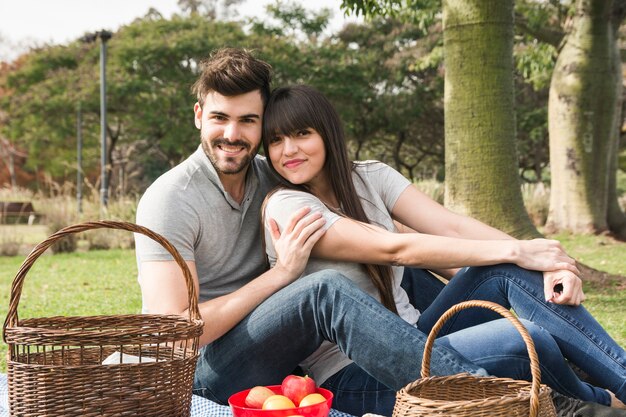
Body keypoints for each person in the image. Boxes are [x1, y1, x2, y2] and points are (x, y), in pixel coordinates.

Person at [135, 48, 496, 410]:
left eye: (247, 120)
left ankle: (508, 335)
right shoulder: (170, 199)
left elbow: (391, 233)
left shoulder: (274, 174)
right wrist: (281, 275)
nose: (232, 134)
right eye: (219, 118)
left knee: (401, 268)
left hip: (281, 347)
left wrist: (508, 257)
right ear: (199, 116)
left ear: (263, 124)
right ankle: (474, 396)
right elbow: (175, 337)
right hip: (202, 371)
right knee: (323, 291)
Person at [260, 84, 626, 416]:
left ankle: (617, 383)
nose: (288, 150)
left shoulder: (369, 177)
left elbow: (450, 225)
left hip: (417, 335)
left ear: (327, 133)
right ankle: (597, 400)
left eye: (302, 134)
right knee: (524, 337)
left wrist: (547, 260)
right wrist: (519, 251)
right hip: (355, 375)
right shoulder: (287, 206)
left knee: (503, 268)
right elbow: (394, 249)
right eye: (276, 141)